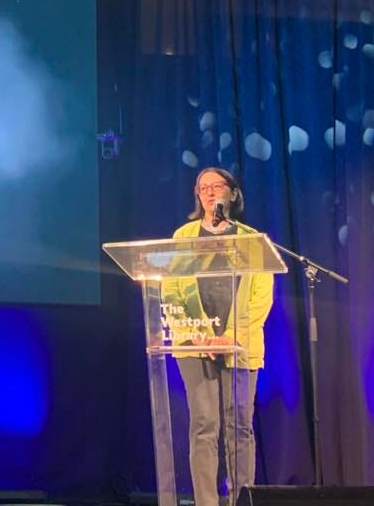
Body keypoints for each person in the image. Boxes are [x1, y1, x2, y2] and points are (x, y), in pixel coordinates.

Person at [162, 167, 274, 506]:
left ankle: (241, 500)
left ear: (233, 193)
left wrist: (229, 336)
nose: (210, 192)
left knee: (239, 426)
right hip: (195, 346)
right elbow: (171, 292)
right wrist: (199, 335)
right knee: (204, 425)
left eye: (217, 186)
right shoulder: (182, 236)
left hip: (240, 344)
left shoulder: (251, 239)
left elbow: (260, 297)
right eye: (203, 187)